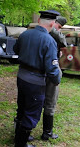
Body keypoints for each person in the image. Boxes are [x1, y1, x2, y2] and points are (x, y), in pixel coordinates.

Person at [13, 10, 61, 147]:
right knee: (31, 112)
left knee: (21, 107)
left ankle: (18, 139)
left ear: (39, 20)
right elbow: (52, 69)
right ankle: (21, 144)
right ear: (52, 23)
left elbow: (16, 50)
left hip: (21, 77)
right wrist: (56, 80)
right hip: (36, 81)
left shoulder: (25, 34)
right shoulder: (49, 41)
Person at [40, 16, 67, 140]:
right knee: (35, 101)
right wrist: (50, 27)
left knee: (50, 102)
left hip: (49, 71)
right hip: (42, 72)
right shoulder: (41, 32)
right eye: (58, 26)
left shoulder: (54, 34)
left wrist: (52, 29)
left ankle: (47, 132)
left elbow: (63, 41)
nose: (58, 29)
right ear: (53, 22)